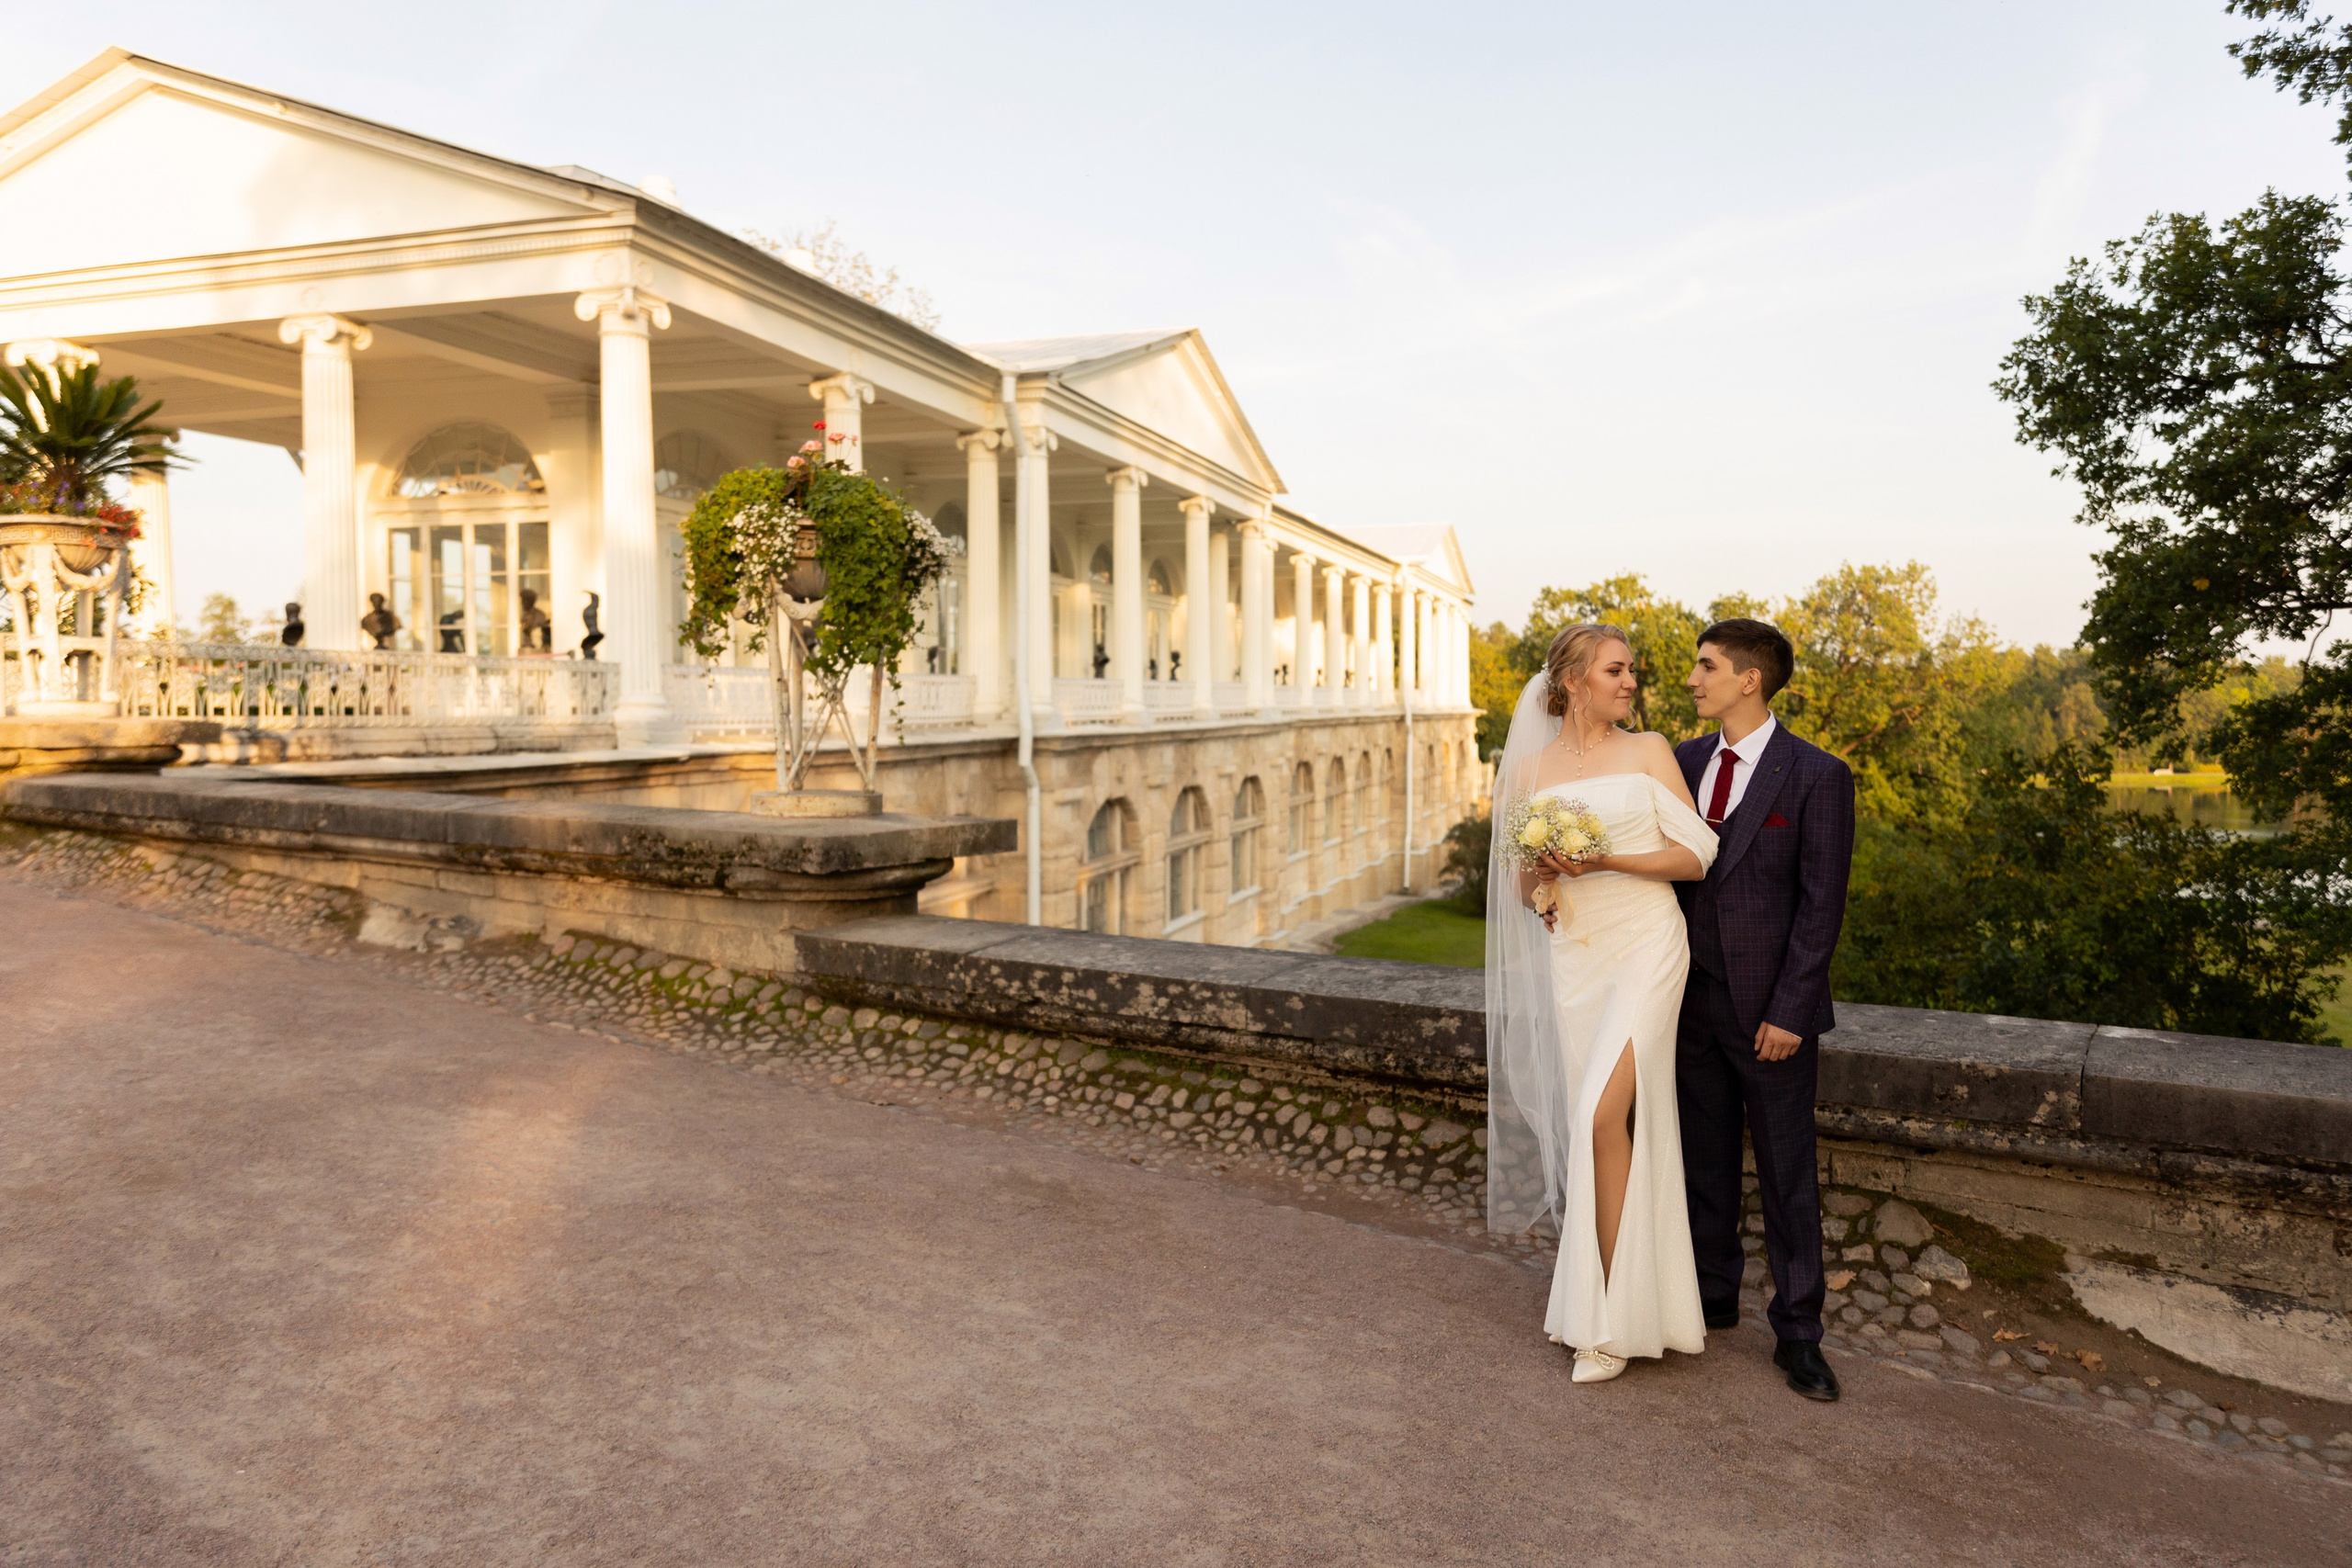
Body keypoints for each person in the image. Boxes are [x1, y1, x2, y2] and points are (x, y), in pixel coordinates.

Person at [1486, 624, 1719, 1384]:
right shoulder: (1527, 772)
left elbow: (1696, 853)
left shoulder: (1650, 749)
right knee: (1608, 1126)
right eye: (1617, 670)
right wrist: (1549, 877)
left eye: (1633, 672)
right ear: (1575, 679)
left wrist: (1605, 857)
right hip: (1578, 954)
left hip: (1649, 944)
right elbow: (1526, 889)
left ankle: (1610, 1324)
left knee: (1595, 1114)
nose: (1632, 682)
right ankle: (1614, 1303)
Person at [1674, 618, 1855, 1403]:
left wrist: (1789, 1009)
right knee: (1703, 1161)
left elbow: (1821, 907)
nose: (1692, 679)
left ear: (1749, 679)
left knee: (1788, 1180)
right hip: (1687, 1001)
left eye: (1706, 666)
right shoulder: (1679, 762)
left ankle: (1799, 1335)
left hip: (1772, 1016)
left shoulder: (1818, 776)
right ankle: (1714, 1294)